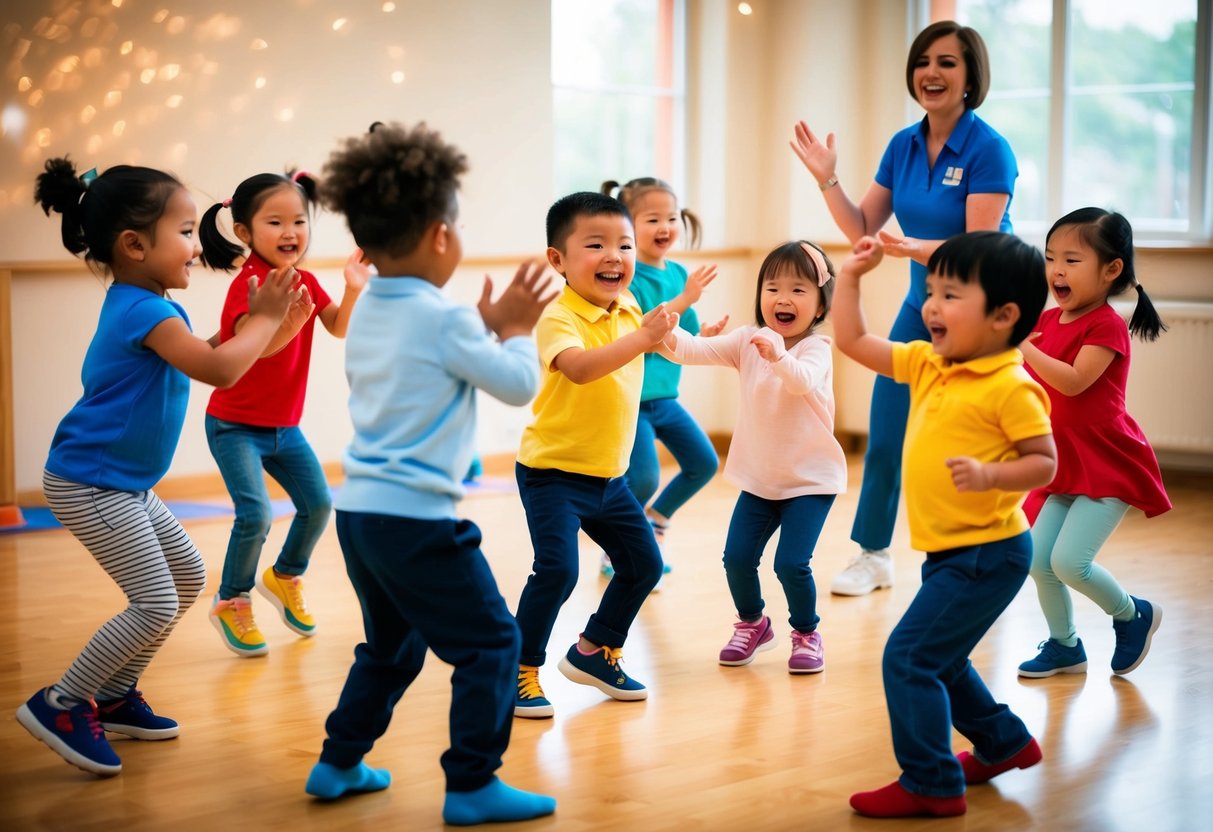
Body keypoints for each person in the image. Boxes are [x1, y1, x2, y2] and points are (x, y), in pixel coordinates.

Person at [304, 121, 557, 825]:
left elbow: (433, 363)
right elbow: (513, 385)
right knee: (492, 643)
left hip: (359, 515)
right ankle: (473, 784)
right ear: (442, 235)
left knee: (391, 646)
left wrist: (480, 326)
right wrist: (513, 329)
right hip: (416, 520)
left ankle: (338, 762)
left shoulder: (374, 310)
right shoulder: (444, 320)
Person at [16, 157, 298, 776]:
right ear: (135, 244)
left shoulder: (149, 303)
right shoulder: (148, 313)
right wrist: (268, 321)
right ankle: (63, 701)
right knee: (152, 598)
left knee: (187, 577)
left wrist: (273, 329)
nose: (198, 246)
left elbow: (222, 354)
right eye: (187, 232)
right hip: (92, 484)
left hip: (123, 484)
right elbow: (222, 371)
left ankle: (116, 694)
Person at [790, 20, 1017, 596]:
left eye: (946, 62)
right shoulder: (903, 144)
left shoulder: (989, 149)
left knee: (971, 436)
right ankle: (873, 554)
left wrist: (915, 247)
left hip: (984, 316)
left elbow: (981, 244)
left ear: (971, 78)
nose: (931, 73)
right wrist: (827, 179)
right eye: (923, 62)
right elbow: (863, 225)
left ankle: (980, 549)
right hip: (924, 305)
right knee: (887, 430)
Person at [833, 232, 1055, 818]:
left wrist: (990, 475)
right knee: (943, 658)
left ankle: (931, 781)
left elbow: (1044, 461)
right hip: (950, 554)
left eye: (950, 294)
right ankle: (1004, 743)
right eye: (931, 291)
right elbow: (853, 340)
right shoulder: (930, 363)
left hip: (989, 555)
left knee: (908, 659)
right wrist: (851, 278)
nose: (931, 305)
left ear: (1004, 316)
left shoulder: (1011, 386)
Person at [512, 192, 673, 718]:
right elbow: (581, 368)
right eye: (596, 244)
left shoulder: (628, 306)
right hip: (552, 473)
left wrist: (702, 342)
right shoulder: (559, 318)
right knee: (557, 571)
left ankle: (594, 651)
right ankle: (518, 670)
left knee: (643, 565)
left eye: (624, 245)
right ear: (558, 260)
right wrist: (644, 338)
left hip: (609, 477)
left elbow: (660, 344)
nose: (615, 256)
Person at [198, 171, 368, 657]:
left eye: (298, 220)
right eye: (275, 222)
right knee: (255, 513)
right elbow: (251, 351)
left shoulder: (307, 281)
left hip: (283, 427)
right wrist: (288, 326)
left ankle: (285, 575)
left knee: (318, 506)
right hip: (233, 425)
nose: (291, 231)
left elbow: (336, 327)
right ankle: (232, 599)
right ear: (245, 233)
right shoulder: (250, 285)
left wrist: (352, 288)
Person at [659, 241, 846, 673]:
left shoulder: (816, 349)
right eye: (773, 287)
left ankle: (806, 632)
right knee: (738, 558)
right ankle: (754, 623)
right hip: (762, 478)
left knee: (791, 564)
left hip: (811, 480)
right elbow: (687, 351)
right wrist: (665, 331)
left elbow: (799, 382)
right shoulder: (748, 339)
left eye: (798, 290)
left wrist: (777, 353)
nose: (782, 298)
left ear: (819, 307)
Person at [1016, 208, 1170, 679]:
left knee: (1069, 562)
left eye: (1071, 259)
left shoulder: (1105, 325)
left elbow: (1073, 382)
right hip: (1061, 464)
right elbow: (1027, 385)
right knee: (1038, 561)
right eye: (1049, 258)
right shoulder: (1045, 321)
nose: (1056, 270)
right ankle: (1065, 646)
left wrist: (1022, 344)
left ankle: (1132, 613)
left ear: (1111, 270)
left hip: (1106, 464)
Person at [597, 177, 726, 581]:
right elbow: (646, 335)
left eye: (671, 217)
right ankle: (616, 549)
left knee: (703, 463)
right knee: (644, 477)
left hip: (665, 399)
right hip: (632, 401)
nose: (665, 226)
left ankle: (655, 521)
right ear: (627, 225)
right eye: (653, 218)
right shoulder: (628, 276)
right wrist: (686, 298)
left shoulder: (677, 273)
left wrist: (703, 335)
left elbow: (679, 335)